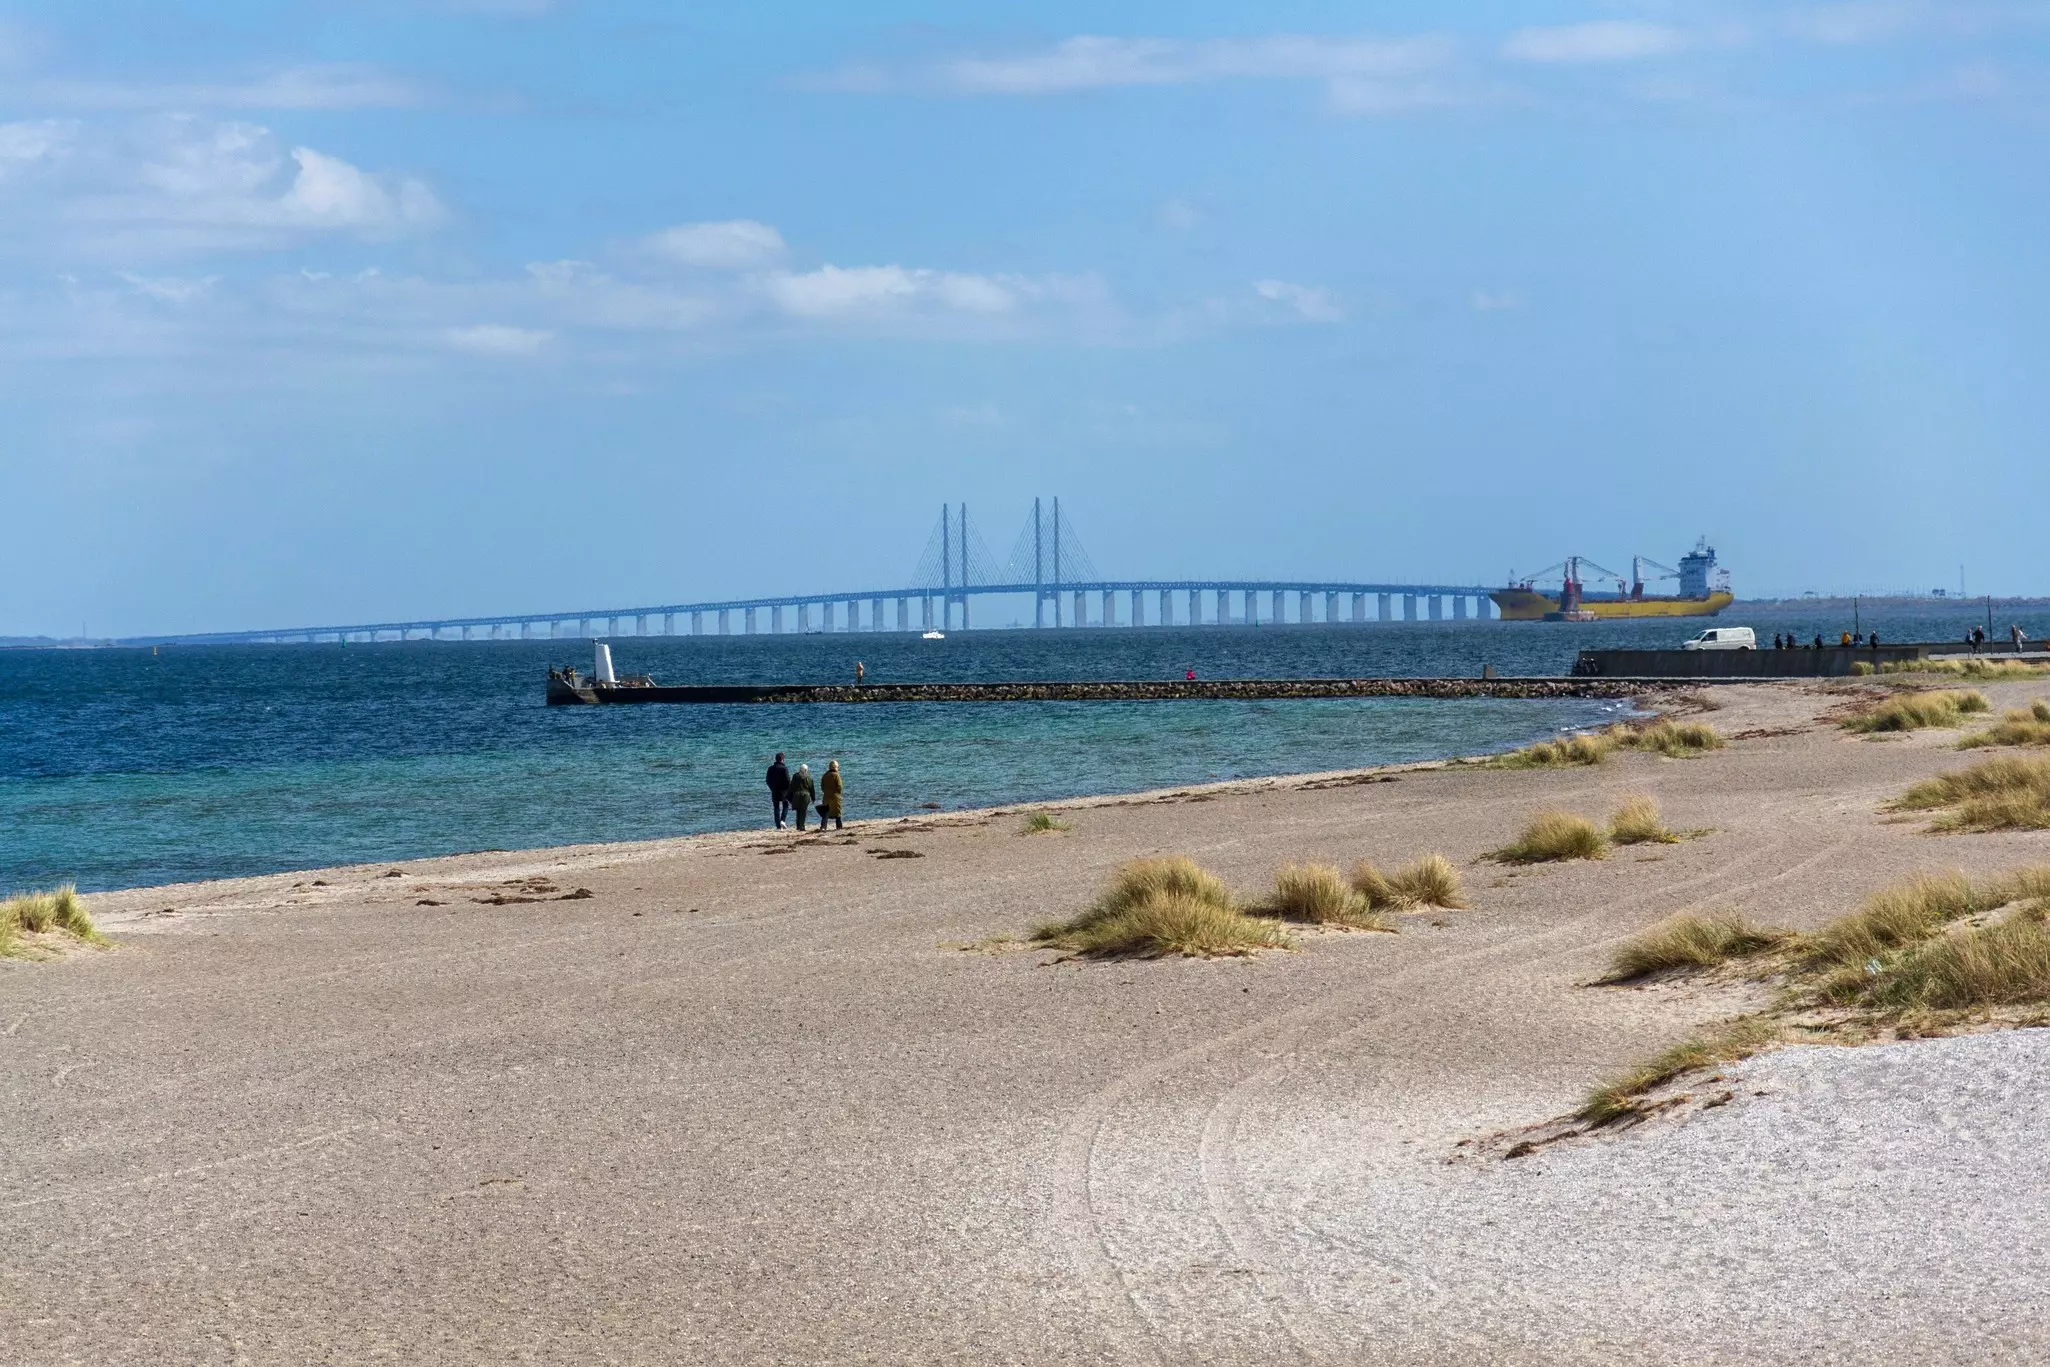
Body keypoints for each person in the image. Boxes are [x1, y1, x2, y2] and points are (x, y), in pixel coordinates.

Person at [788, 763, 816, 832]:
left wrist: (789, 797)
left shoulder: (795, 776)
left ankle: (798, 826)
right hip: (806, 795)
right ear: (806, 770)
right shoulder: (809, 777)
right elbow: (811, 788)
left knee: (798, 810)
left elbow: (791, 787)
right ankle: (802, 826)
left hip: (796, 795)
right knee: (803, 811)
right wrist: (813, 798)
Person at [766, 753, 791, 829]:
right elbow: (788, 780)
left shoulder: (770, 768)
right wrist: (788, 789)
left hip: (775, 790)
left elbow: (767, 780)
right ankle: (782, 820)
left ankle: (778, 826)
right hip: (783, 790)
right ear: (782, 760)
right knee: (785, 806)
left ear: (776, 759)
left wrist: (771, 788)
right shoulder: (784, 768)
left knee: (776, 807)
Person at [819, 759, 844, 830]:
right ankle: (839, 826)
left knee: (826, 813)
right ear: (835, 767)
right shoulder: (836, 775)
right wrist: (838, 793)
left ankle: (823, 827)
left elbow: (822, 786)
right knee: (837, 812)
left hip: (826, 796)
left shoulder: (825, 775)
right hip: (835, 797)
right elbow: (840, 786)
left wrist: (826, 792)